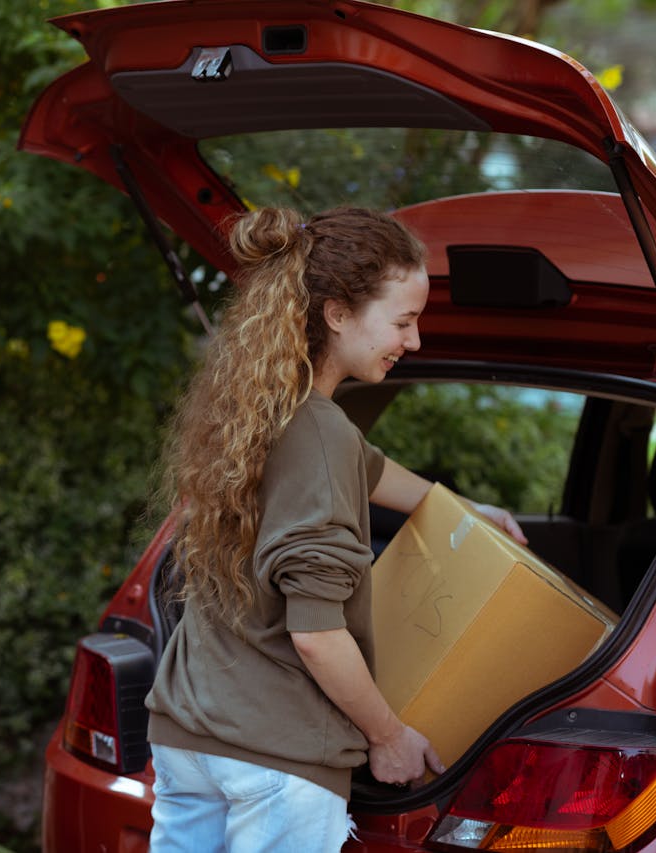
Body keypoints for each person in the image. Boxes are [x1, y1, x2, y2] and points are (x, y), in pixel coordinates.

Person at [143, 206, 527, 852]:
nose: (415, 341)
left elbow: (366, 468)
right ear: (339, 313)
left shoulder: (262, 407)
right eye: (403, 321)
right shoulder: (319, 434)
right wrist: (387, 735)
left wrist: (457, 508)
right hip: (275, 761)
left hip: (191, 739)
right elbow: (317, 634)